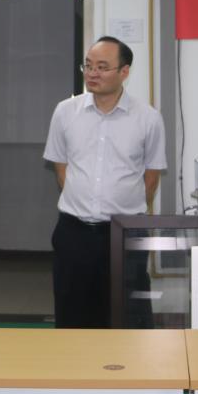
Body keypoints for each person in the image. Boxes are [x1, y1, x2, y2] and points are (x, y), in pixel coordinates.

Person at [44, 36, 166, 328]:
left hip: (125, 233)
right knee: (73, 313)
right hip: (74, 232)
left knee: (128, 315)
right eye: (88, 66)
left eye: (102, 67)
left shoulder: (148, 118)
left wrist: (123, 208)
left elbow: (151, 178)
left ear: (124, 72)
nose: (92, 73)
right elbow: (61, 168)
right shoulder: (65, 112)